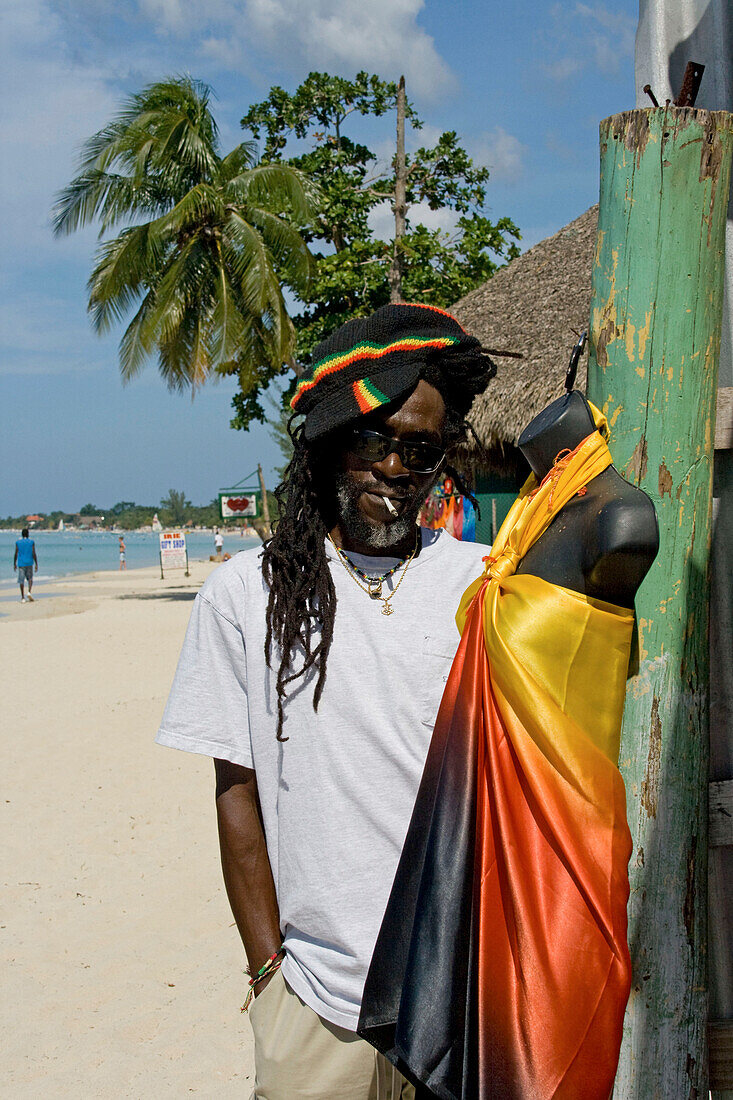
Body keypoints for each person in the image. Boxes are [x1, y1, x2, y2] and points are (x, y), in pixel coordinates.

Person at [156, 303, 496, 1099]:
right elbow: (235, 791)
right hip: (316, 1001)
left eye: (419, 446)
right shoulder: (246, 595)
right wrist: (268, 969)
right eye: (371, 437)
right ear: (325, 443)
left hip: (468, 992)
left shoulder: (487, 584)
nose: (394, 464)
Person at [13, 527, 38, 603]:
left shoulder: (18, 542)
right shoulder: (31, 542)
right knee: (30, 578)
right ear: (28, 534)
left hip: (21, 563)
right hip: (29, 562)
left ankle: (23, 597)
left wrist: (14, 563)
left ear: (22, 534)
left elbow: (16, 553)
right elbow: (34, 553)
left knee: (21, 580)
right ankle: (29, 592)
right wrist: (36, 563)